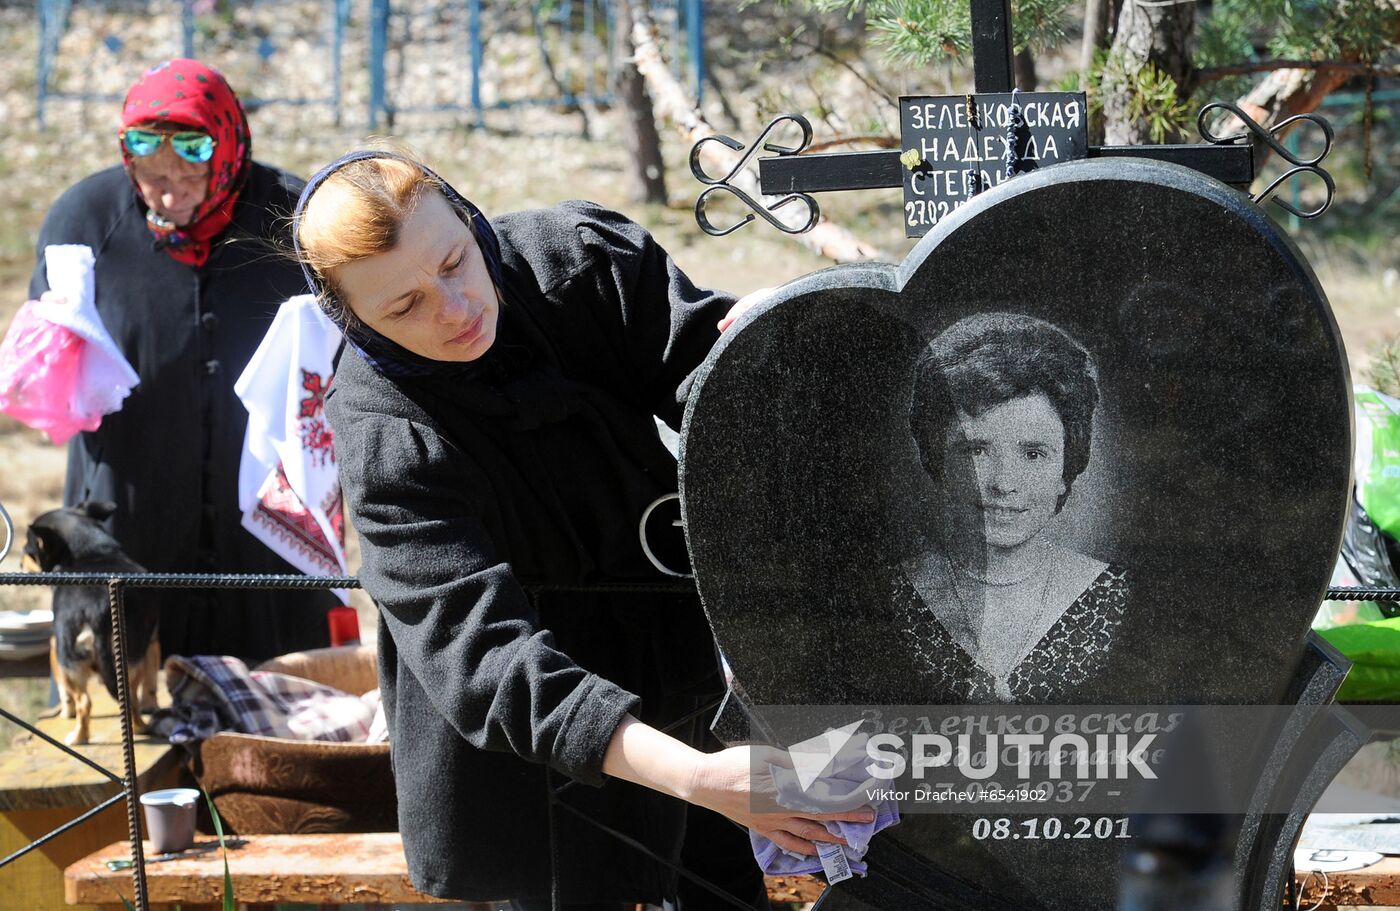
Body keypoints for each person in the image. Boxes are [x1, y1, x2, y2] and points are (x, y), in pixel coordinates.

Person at [292, 151, 872, 909]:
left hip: (685, 684)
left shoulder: (580, 262)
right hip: (533, 761)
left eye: (456, 262)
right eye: (404, 307)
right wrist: (696, 776)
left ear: (468, 217)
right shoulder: (386, 435)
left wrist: (766, 348)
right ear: (352, 318)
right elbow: (487, 660)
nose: (455, 310)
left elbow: (712, 380)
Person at [25, 59, 333, 662]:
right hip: (132, 504)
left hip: (268, 517)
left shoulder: (296, 220)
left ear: (228, 153)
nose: (169, 195)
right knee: (130, 684)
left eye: (189, 175)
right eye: (151, 177)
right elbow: (44, 363)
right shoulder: (85, 220)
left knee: (281, 685)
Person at [896, 312, 1129, 702]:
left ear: (1066, 468)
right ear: (938, 462)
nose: (1003, 483)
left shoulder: (1113, 595)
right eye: (976, 450)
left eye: (1033, 454)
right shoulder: (893, 594)